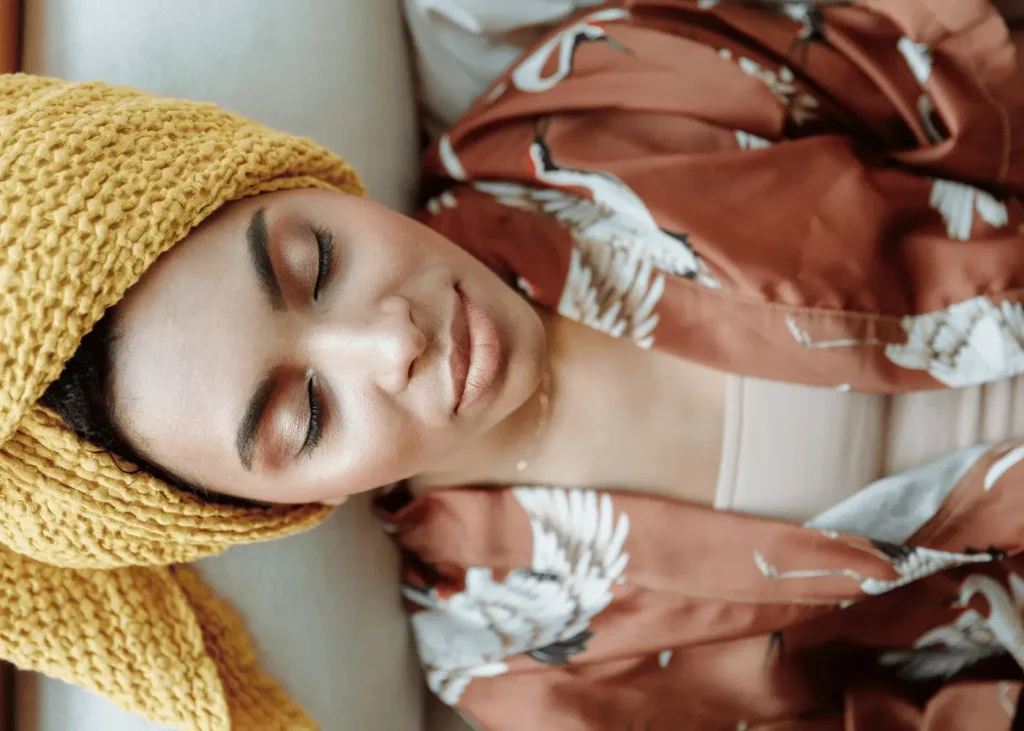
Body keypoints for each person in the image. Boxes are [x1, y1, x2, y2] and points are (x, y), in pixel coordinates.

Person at [5, 0, 1024, 729]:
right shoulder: (523, 660)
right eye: (306, 416)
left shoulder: (595, 101)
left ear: (300, 179)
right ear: (265, 509)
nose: (390, 342)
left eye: (317, 260)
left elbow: (946, 64)